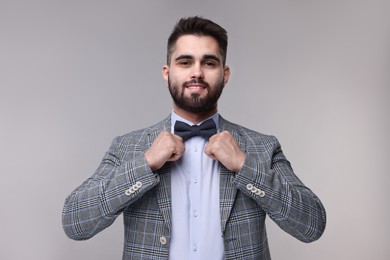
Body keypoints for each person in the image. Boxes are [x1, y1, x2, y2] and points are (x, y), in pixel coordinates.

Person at [62, 16, 326, 260]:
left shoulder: (262, 148)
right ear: (167, 73)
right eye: (185, 62)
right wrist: (145, 164)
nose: (197, 72)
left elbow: (312, 226)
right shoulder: (128, 147)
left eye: (209, 63)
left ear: (225, 74)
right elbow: (75, 223)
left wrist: (245, 166)